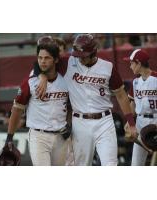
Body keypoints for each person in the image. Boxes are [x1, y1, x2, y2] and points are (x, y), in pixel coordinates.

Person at [34, 33, 137, 166]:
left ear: (94, 52)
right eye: (78, 55)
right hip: (80, 122)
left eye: (83, 55)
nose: (80, 58)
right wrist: (42, 77)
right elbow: (41, 63)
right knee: (82, 165)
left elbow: (121, 95)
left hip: (104, 122)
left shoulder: (107, 67)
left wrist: (131, 123)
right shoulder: (69, 62)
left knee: (110, 164)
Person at [2, 41, 70, 166]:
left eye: (47, 58)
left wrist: (69, 125)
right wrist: (9, 137)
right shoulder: (30, 82)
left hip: (61, 136)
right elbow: (16, 110)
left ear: (56, 60)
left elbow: (70, 107)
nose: (43, 61)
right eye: (40, 58)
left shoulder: (66, 80)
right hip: (38, 137)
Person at [124, 49, 157, 166]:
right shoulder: (135, 82)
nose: (130, 66)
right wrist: (129, 122)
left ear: (138, 63)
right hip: (141, 122)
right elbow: (132, 104)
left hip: (155, 120)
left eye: (132, 63)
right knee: (136, 164)